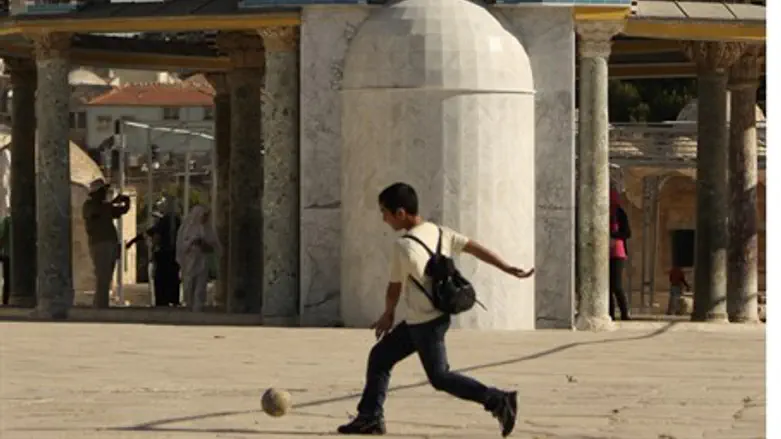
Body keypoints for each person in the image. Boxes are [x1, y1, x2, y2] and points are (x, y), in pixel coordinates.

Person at [337, 182, 534, 437]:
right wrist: (506, 267)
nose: (383, 219)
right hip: (435, 316)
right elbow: (473, 247)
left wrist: (388, 314)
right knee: (380, 357)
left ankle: (498, 400)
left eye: (384, 212)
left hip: (424, 323)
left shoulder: (403, 247)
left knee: (440, 377)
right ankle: (370, 417)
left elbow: (394, 287)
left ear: (400, 213)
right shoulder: (437, 231)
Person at [82, 178, 131, 308]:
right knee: (102, 275)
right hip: (99, 244)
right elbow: (96, 212)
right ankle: (100, 305)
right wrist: (113, 203)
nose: (105, 193)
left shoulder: (105, 207)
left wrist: (126, 202)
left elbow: (121, 211)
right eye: (103, 191)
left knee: (107, 276)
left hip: (111, 243)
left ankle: (102, 304)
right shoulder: (90, 205)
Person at [127, 197, 182, 307]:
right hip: (174, 254)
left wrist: (132, 242)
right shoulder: (177, 220)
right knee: (173, 278)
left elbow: (152, 233)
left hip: (164, 254)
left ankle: (162, 300)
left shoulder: (166, 221)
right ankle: (173, 299)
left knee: (162, 278)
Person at [176, 205, 218, 312]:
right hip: (189, 261)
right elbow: (182, 245)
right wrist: (192, 242)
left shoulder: (207, 229)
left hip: (202, 261)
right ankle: (189, 304)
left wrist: (205, 245)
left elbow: (214, 245)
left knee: (200, 285)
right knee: (189, 284)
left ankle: (198, 306)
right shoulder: (187, 228)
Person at [609, 187, 631, 321]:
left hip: (617, 252)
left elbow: (627, 233)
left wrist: (612, 235)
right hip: (603, 253)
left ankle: (624, 313)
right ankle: (610, 314)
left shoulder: (619, 213)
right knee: (606, 287)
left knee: (616, 285)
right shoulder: (599, 212)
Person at [0, 214, 10, 305]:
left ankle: (6, 300)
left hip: (7, 254)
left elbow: (1, 237)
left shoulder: (7, 221)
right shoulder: (7, 221)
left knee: (7, 278)